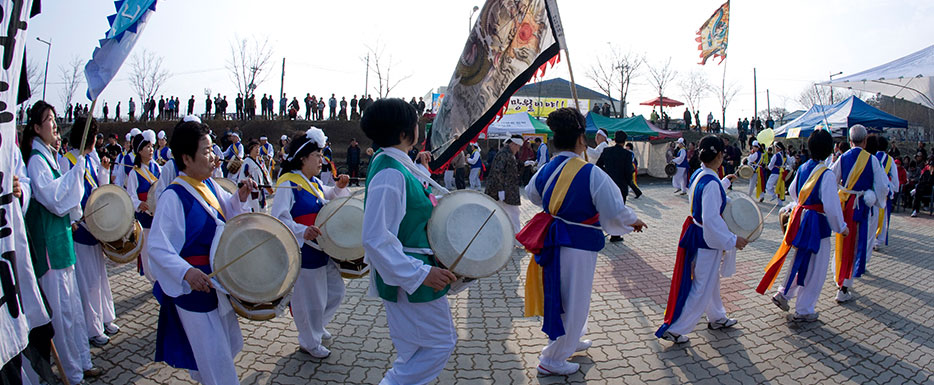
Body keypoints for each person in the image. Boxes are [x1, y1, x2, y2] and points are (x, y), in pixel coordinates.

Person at [520, 108, 646, 375]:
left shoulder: (546, 169)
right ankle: (552, 359)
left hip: (554, 242)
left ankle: (571, 339)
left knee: (564, 296)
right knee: (575, 300)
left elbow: (532, 196)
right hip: (577, 245)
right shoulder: (590, 173)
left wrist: (557, 204)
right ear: (580, 138)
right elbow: (614, 210)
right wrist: (632, 221)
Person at [148, 117, 254, 384]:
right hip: (196, 289)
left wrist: (239, 197)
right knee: (216, 361)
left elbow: (224, 214)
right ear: (186, 158)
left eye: (212, 150)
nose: (213, 158)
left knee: (222, 349)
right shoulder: (173, 197)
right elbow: (159, 248)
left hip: (216, 283)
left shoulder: (207, 183)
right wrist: (186, 273)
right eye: (206, 152)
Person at [360, 99, 459, 384]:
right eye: (416, 124)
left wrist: (422, 169)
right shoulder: (391, 172)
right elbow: (375, 238)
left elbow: (411, 203)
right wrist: (422, 273)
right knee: (439, 343)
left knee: (413, 349)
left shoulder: (394, 162)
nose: (419, 128)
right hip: (410, 274)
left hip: (409, 273)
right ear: (405, 133)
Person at [22, 101, 104, 384]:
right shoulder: (35, 161)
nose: (55, 124)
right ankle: (72, 373)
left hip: (62, 245)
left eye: (56, 119)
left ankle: (82, 362)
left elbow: (65, 202)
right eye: (49, 120)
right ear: (35, 128)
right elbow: (56, 199)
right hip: (50, 251)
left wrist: (75, 172)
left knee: (74, 312)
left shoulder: (46, 156)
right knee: (63, 317)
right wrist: (76, 170)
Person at [656, 135, 746, 344]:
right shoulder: (711, 182)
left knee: (710, 281)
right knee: (702, 285)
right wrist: (732, 239)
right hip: (707, 239)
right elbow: (712, 218)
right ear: (720, 155)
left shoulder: (700, 174)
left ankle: (717, 316)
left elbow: (705, 196)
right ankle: (677, 329)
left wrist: (723, 182)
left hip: (698, 234)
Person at [272, 127, 351, 359]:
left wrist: (339, 188)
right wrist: (301, 230)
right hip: (304, 251)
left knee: (336, 292)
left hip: (322, 249)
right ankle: (309, 341)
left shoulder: (313, 182)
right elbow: (279, 217)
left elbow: (327, 194)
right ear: (303, 158)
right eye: (317, 155)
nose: (321, 160)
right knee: (310, 300)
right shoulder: (288, 181)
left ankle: (316, 326)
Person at [758, 130, 848, 322]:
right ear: (830, 149)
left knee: (799, 260)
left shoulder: (804, 167)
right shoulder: (826, 174)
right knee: (816, 268)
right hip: (818, 224)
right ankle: (804, 309)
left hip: (801, 219)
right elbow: (832, 207)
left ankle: (784, 293)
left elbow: (793, 190)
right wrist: (841, 227)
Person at [58, 117, 120, 348]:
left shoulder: (90, 159)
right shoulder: (68, 161)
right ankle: (92, 328)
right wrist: (75, 219)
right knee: (88, 281)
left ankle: (105, 318)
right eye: (94, 136)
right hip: (81, 229)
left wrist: (104, 171)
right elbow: (67, 194)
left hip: (95, 227)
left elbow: (98, 191)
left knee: (100, 277)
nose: (97, 140)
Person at [830, 125, 888, 303]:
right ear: (865, 141)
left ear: (849, 140)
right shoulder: (872, 160)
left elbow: (832, 179)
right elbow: (882, 187)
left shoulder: (842, 158)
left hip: (845, 205)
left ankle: (838, 276)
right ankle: (844, 286)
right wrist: (878, 199)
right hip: (862, 206)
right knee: (855, 244)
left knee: (842, 242)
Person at [126, 129, 161, 283]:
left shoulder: (157, 168)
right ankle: (153, 280)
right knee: (146, 253)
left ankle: (160, 281)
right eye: (147, 147)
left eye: (152, 147)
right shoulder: (135, 173)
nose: (151, 149)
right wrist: (140, 204)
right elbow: (130, 196)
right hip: (144, 219)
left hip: (157, 218)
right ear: (139, 151)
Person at [596, 131, 636, 243]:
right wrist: (629, 182)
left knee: (604, 209)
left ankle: (599, 231)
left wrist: (607, 174)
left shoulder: (606, 151)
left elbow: (598, 166)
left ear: (614, 139)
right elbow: (629, 171)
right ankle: (615, 234)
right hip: (621, 186)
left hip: (607, 185)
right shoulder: (627, 154)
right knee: (618, 210)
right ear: (624, 142)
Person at [485, 135, 523, 236]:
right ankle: (517, 236)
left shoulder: (507, 153)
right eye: (518, 146)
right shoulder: (504, 154)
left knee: (507, 213)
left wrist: (523, 164)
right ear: (513, 144)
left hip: (506, 190)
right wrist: (500, 190)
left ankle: (509, 235)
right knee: (514, 213)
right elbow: (498, 172)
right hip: (503, 190)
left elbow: (508, 169)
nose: (518, 149)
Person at [874, 136, 899, 248]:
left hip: (872, 190)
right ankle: (879, 240)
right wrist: (893, 189)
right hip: (884, 192)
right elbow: (895, 179)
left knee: (872, 215)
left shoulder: (871, 157)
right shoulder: (890, 160)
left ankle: (871, 239)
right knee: (882, 217)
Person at [237, 139, 274, 212]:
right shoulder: (247, 162)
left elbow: (265, 173)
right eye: (255, 147)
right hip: (252, 192)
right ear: (251, 149)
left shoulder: (260, 160)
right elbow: (242, 178)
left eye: (258, 147)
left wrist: (268, 185)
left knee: (264, 210)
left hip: (261, 190)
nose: (258, 149)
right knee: (255, 210)